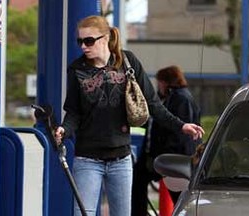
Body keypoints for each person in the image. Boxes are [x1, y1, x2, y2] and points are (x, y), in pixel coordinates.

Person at [55, 15, 204, 216]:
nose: (83, 46)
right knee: (83, 213)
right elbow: (73, 111)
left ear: (105, 38)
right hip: (87, 158)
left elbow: (152, 104)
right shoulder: (76, 70)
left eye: (88, 41)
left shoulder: (128, 62)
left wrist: (181, 125)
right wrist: (64, 129)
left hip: (120, 159)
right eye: (80, 41)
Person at [131, 65, 202, 216]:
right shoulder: (170, 99)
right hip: (159, 155)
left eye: (160, 82)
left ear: (167, 82)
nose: (158, 86)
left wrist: (165, 154)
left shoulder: (181, 99)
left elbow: (179, 133)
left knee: (179, 195)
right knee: (138, 179)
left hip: (173, 157)